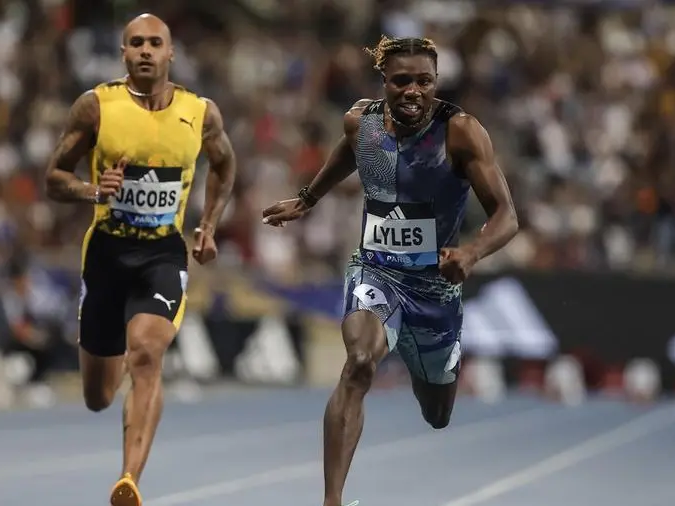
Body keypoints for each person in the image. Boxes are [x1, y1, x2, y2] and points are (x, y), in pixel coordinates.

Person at [261, 35, 519, 506]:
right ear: (385, 82)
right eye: (402, 81)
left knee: (437, 412)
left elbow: (506, 214)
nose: (413, 91)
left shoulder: (460, 131)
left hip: (436, 290)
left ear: (436, 83)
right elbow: (348, 150)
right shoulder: (362, 121)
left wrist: (472, 253)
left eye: (424, 81)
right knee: (359, 363)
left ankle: (438, 369)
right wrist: (307, 199)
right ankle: (331, 500)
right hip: (376, 270)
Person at [44, 13, 236, 506]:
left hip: (162, 253)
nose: (146, 50)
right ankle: (129, 375)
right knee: (97, 397)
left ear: (171, 53)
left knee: (148, 352)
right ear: (124, 54)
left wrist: (209, 223)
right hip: (107, 253)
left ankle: (128, 479)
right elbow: (53, 178)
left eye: (155, 43)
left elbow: (224, 163)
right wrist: (93, 190)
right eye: (136, 44)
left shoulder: (200, 113)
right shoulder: (96, 107)